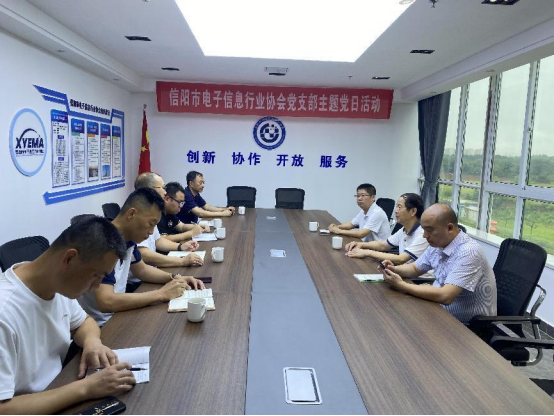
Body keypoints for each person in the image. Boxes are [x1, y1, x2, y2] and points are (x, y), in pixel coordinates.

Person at [0, 217, 136, 414]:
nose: (97, 286)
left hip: (59, 385)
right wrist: (86, 388)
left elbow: (84, 322)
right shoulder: (5, 311)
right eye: (96, 275)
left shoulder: (56, 284)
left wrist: (92, 343)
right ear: (69, 258)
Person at [78, 188, 204, 327]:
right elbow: (106, 302)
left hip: (119, 314)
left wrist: (175, 278)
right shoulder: (103, 242)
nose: (151, 232)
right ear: (131, 214)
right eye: (150, 224)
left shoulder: (128, 239)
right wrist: (162, 294)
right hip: (101, 326)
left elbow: (142, 270)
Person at [379, 203, 497, 324]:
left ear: (449, 228)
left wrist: (401, 285)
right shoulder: (438, 243)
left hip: (465, 325)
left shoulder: (469, 252)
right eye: (423, 229)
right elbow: (415, 268)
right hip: (436, 308)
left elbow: (446, 296)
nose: (424, 236)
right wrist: (393, 269)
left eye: (429, 230)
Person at [134, 173, 203, 270]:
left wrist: (181, 246)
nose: (165, 192)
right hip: (143, 276)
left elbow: (158, 241)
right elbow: (144, 254)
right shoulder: (138, 214)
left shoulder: (152, 210)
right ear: (150, 190)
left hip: (152, 269)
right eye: (163, 187)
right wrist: (181, 261)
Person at [345, 193, 428, 264]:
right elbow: (383, 245)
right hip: (403, 271)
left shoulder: (423, 234)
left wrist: (367, 252)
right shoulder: (404, 230)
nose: (396, 211)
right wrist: (361, 244)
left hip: (417, 277)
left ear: (413, 211)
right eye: (396, 206)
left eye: (399, 207)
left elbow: (401, 259)